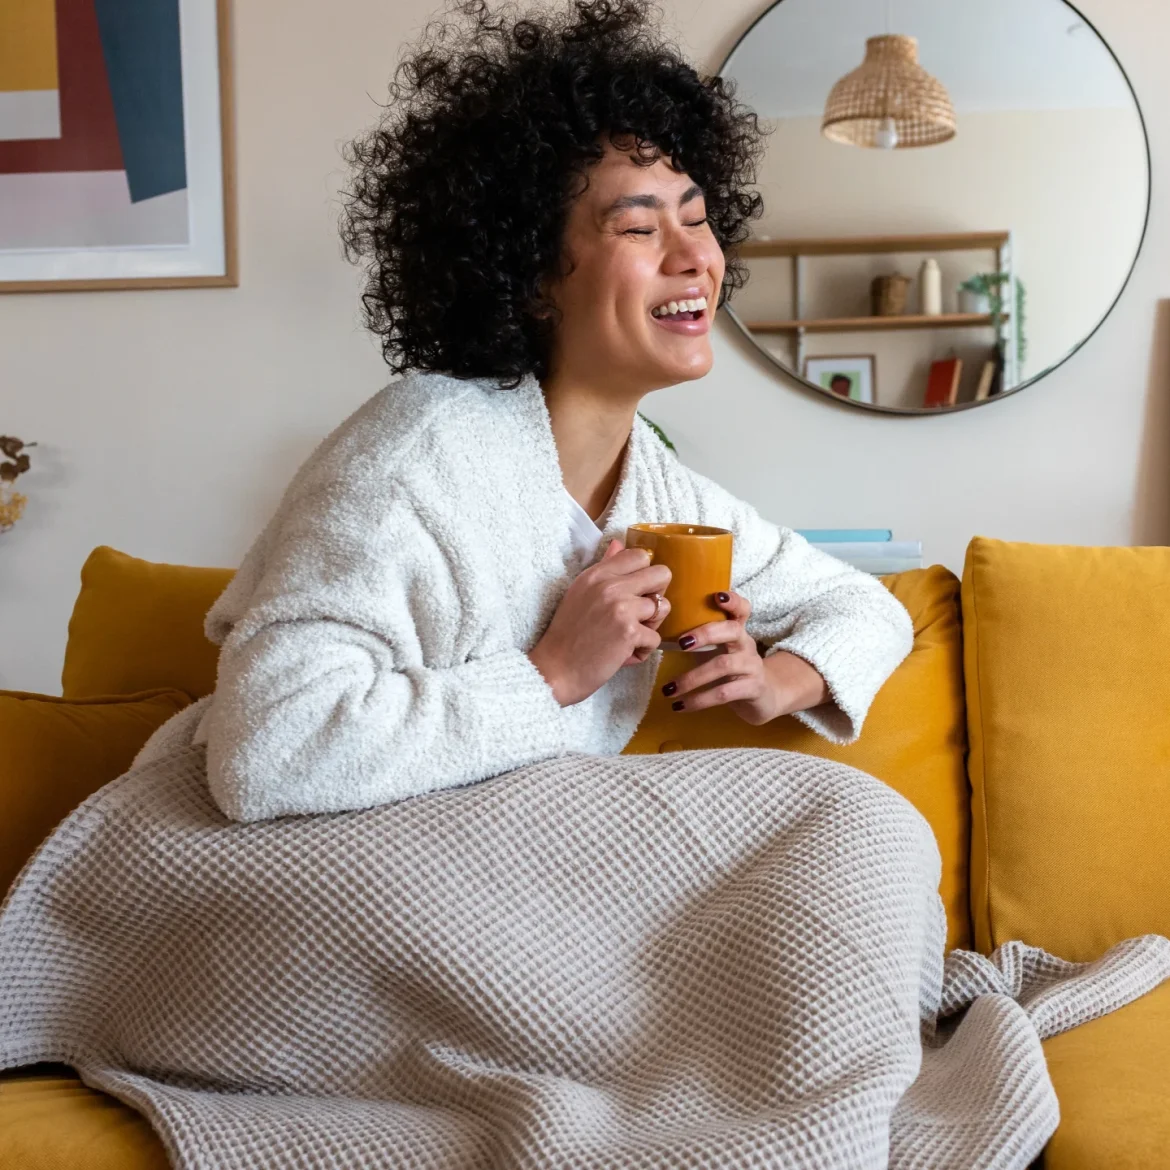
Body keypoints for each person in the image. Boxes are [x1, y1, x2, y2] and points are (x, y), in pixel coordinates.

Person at [187, 0, 913, 821]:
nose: (694, 258)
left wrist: (778, 679)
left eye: (698, 219)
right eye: (639, 228)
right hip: (271, 867)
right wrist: (554, 672)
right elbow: (266, 753)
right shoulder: (416, 452)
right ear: (531, 276)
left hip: (494, 856)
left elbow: (865, 607)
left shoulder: (667, 501)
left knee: (861, 821)